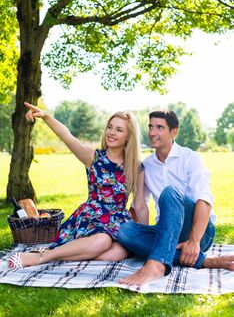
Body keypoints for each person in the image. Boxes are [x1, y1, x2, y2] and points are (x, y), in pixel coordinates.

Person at [8, 102, 148, 269]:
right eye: (110, 127)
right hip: (92, 217)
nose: (111, 132)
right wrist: (46, 116)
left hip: (118, 221)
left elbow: (140, 205)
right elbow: (67, 136)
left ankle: (71, 254)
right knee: (102, 241)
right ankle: (42, 257)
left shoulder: (135, 166)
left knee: (117, 254)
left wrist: (144, 242)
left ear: (128, 136)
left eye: (119, 129)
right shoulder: (93, 157)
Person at [117, 110, 234, 286]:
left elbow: (204, 200)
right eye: (150, 127)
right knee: (124, 231)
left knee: (170, 192)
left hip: (198, 232)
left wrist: (194, 241)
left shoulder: (190, 158)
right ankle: (206, 261)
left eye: (159, 127)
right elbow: (140, 205)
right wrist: (138, 232)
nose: (152, 132)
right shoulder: (147, 166)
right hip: (166, 231)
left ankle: (156, 264)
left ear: (174, 132)